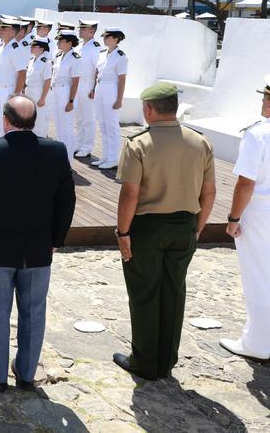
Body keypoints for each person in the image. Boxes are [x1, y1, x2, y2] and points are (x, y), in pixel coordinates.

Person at [0, 95, 75, 391]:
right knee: (34, 312)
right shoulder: (55, 151)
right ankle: (26, 373)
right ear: (33, 121)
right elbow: (67, 201)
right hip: (39, 248)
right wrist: (57, 240)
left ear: (5, 120)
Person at [113, 82, 216, 381]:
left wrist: (123, 233)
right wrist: (197, 228)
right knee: (174, 291)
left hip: (147, 227)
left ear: (148, 109)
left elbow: (130, 194)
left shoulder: (139, 143)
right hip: (185, 224)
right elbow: (209, 192)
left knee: (144, 292)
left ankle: (145, 362)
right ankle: (166, 360)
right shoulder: (200, 142)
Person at [220, 76, 270, 361]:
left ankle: (257, 344)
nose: (262, 101)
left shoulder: (258, 134)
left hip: (261, 214)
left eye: (265, 96)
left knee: (259, 277)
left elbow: (246, 183)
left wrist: (233, 217)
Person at [92, 27, 129, 169]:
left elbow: (122, 80)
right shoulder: (102, 54)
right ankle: (105, 156)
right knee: (103, 124)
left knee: (111, 125)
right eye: (104, 37)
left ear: (116, 39)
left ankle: (113, 158)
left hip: (111, 89)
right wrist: (93, 89)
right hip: (100, 88)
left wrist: (119, 100)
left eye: (107, 37)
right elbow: (97, 73)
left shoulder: (121, 57)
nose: (104, 39)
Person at [50, 30, 81, 162]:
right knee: (58, 126)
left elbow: (75, 81)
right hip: (56, 91)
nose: (58, 43)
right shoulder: (58, 56)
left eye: (61, 41)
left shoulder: (75, 58)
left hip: (66, 92)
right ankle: (60, 158)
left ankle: (68, 159)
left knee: (67, 128)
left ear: (69, 43)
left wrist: (71, 101)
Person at [74, 21, 102, 158]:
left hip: (88, 84)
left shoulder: (95, 48)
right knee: (79, 117)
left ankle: (87, 147)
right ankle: (79, 144)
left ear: (91, 31)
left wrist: (94, 88)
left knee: (88, 118)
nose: (80, 31)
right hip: (78, 84)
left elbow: (98, 69)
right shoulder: (79, 46)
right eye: (80, 28)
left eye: (83, 29)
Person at [24, 37, 54, 138]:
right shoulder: (31, 60)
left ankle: (40, 142)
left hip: (39, 92)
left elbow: (47, 81)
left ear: (41, 48)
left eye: (34, 46)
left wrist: (43, 98)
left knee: (40, 121)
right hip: (29, 92)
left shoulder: (46, 63)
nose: (31, 48)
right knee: (30, 120)